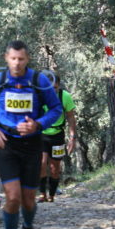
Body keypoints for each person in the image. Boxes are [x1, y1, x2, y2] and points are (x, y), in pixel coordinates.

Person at [0, 40, 62, 229]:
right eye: (13, 59)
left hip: (32, 144)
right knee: (13, 197)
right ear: (6, 58)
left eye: (21, 59)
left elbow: (56, 109)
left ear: (27, 59)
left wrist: (38, 124)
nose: (17, 63)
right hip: (6, 144)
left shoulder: (39, 81)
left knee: (28, 200)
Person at [38, 75, 77, 203]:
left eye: (54, 88)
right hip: (41, 134)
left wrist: (72, 137)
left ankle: (52, 195)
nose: (52, 91)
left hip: (58, 135)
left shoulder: (65, 96)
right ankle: (42, 194)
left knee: (55, 168)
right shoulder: (39, 95)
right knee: (41, 163)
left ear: (59, 86)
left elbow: (70, 117)